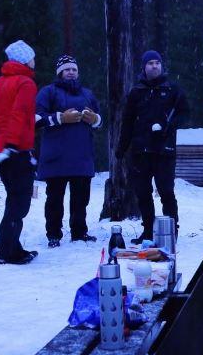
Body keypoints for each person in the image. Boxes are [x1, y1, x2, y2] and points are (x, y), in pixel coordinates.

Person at [116, 50, 189, 243]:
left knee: (166, 192)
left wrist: (168, 125)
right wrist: (122, 147)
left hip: (164, 151)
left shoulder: (173, 89)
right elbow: (128, 121)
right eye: (150, 63)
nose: (154, 66)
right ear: (144, 67)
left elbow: (184, 113)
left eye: (157, 63)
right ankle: (148, 230)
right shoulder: (136, 92)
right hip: (140, 152)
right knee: (143, 193)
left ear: (162, 66)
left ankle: (172, 231)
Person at [36, 55, 103, 248]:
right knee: (55, 199)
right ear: (60, 73)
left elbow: (100, 120)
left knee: (81, 199)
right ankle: (53, 234)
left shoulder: (87, 94)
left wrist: (95, 120)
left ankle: (79, 232)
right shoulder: (48, 92)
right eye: (67, 69)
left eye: (73, 69)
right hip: (56, 155)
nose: (71, 72)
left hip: (82, 154)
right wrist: (60, 118)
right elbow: (37, 118)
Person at [0, 40, 40, 265]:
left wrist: (3, 141)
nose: (34, 61)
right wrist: (13, 143)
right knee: (20, 202)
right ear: (26, 59)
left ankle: (12, 246)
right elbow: (19, 113)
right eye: (32, 57)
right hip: (14, 149)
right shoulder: (26, 83)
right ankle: (6, 251)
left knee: (14, 199)